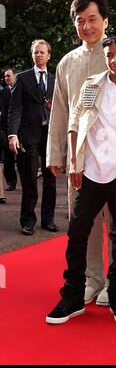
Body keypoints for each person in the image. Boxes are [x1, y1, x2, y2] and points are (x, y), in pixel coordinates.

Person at [46, 35, 116, 325]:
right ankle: (73, 295)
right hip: (89, 172)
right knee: (78, 233)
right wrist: (75, 161)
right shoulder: (92, 85)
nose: (114, 59)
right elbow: (76, 122)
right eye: (110, 54)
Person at [46, 0, 114, 307]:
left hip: (114, 157)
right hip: (80, 159)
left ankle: (115, 282)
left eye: (92, 19)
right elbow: (60, 111)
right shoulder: (66, 63)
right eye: (80, 21)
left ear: (105, 21)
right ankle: (92, 279)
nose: (87, 26)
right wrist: (55, 155)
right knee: (81, 224)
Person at [8, 39, 57, 236]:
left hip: (50, 136)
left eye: (42, 52)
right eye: (36, 52)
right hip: (28, 136)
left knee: (50, 180)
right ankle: (27, 221)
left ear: (48, 55)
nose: (39, 55)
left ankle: (48, 220)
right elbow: (15, 108)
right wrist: (12, 134)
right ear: (32, 55)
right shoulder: (22, 77)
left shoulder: (55, 79)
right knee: (29, 180)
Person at [0, 68, 18, 191]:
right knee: (8, 159)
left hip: (22, 128)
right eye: (5, 76)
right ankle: (11, 181)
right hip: (7, 129)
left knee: (23, 158)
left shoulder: (21, 88)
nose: (6, 78)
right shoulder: (2, 93)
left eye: (8, 76)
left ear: (14, 76)